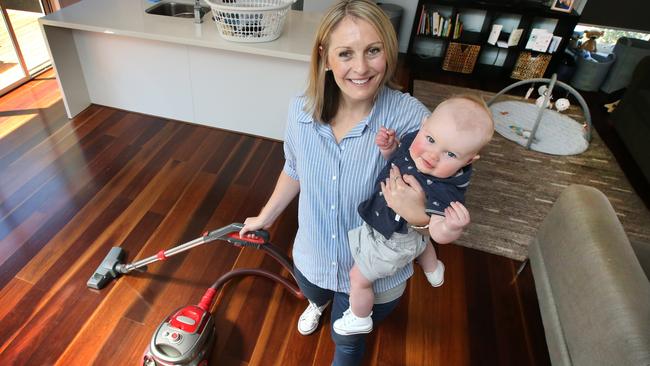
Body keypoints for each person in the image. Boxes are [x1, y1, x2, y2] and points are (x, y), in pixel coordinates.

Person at [239, 1, 431, 364]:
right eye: (346, 53)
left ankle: (334, 322)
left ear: (388, 53)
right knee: (313, 293)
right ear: (326, 58)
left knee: (347, 343)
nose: (361, 68)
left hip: (373, 278)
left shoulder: (412, 121)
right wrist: (265, 217)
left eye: (373, 51)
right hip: (312, 258)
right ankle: (317, 303)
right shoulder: (301, 110)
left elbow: (439, 200)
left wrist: (421, 218)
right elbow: (294, 169)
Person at [332, 96, 494, 336]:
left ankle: (360, 317)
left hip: (393, 240)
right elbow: (397, 164)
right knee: (419, 243)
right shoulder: (412, 142)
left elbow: (437, 233)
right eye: (430, 139)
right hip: (407, 231)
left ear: (468, 161)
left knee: (357, 277)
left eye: (450, 154)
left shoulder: (444, 188)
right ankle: (433, 268)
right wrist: (389, 150)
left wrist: (452, 227)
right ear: (424, 125)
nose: (432, 155)